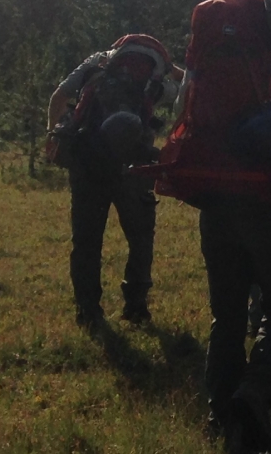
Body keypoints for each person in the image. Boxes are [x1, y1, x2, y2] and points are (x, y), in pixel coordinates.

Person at [147, 0, 271, 454]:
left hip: (216, 201)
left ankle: (219, 414)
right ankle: (253, 394)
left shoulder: (206, 65)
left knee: (227, 313)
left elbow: (181, 120)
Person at [45, 34, 179, 329]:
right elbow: (186, 90)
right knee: (140, 236)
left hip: (87, 162)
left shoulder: (96, 63)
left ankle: (88, 311)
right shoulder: (155, 79)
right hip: (133, 164)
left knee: (86, 241)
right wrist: (173, 69)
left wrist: (51, 138)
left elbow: (59, 96)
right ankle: (136, 306)